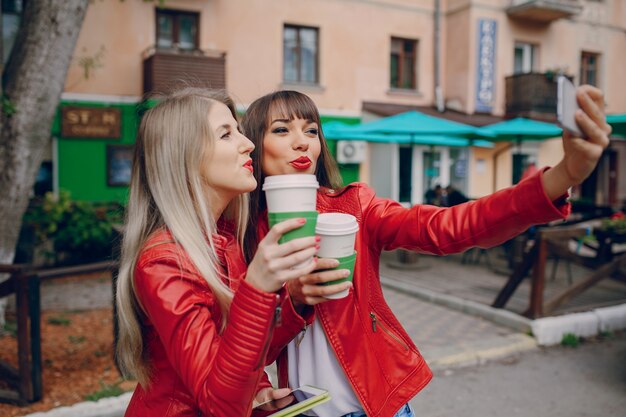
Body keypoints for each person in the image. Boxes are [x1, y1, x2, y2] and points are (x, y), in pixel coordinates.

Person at [242, 88, 611, 417]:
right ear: (253, 145)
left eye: (311, 130)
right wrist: (291, 305)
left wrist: (563, 175)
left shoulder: (354, 206)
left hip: (378, 406)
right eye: (281, 129)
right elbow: (245, 348)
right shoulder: (239, 238)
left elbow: (447, 227)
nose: (303, 142)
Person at [115, 88, 318, 416]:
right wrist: (258, 288)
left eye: (239, 130)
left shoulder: (225, 241)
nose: (248, 143)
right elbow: (220, 404)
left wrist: (260, 388)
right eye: (226, 134)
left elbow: (238, 352)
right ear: (186, 156)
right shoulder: (163, 262)